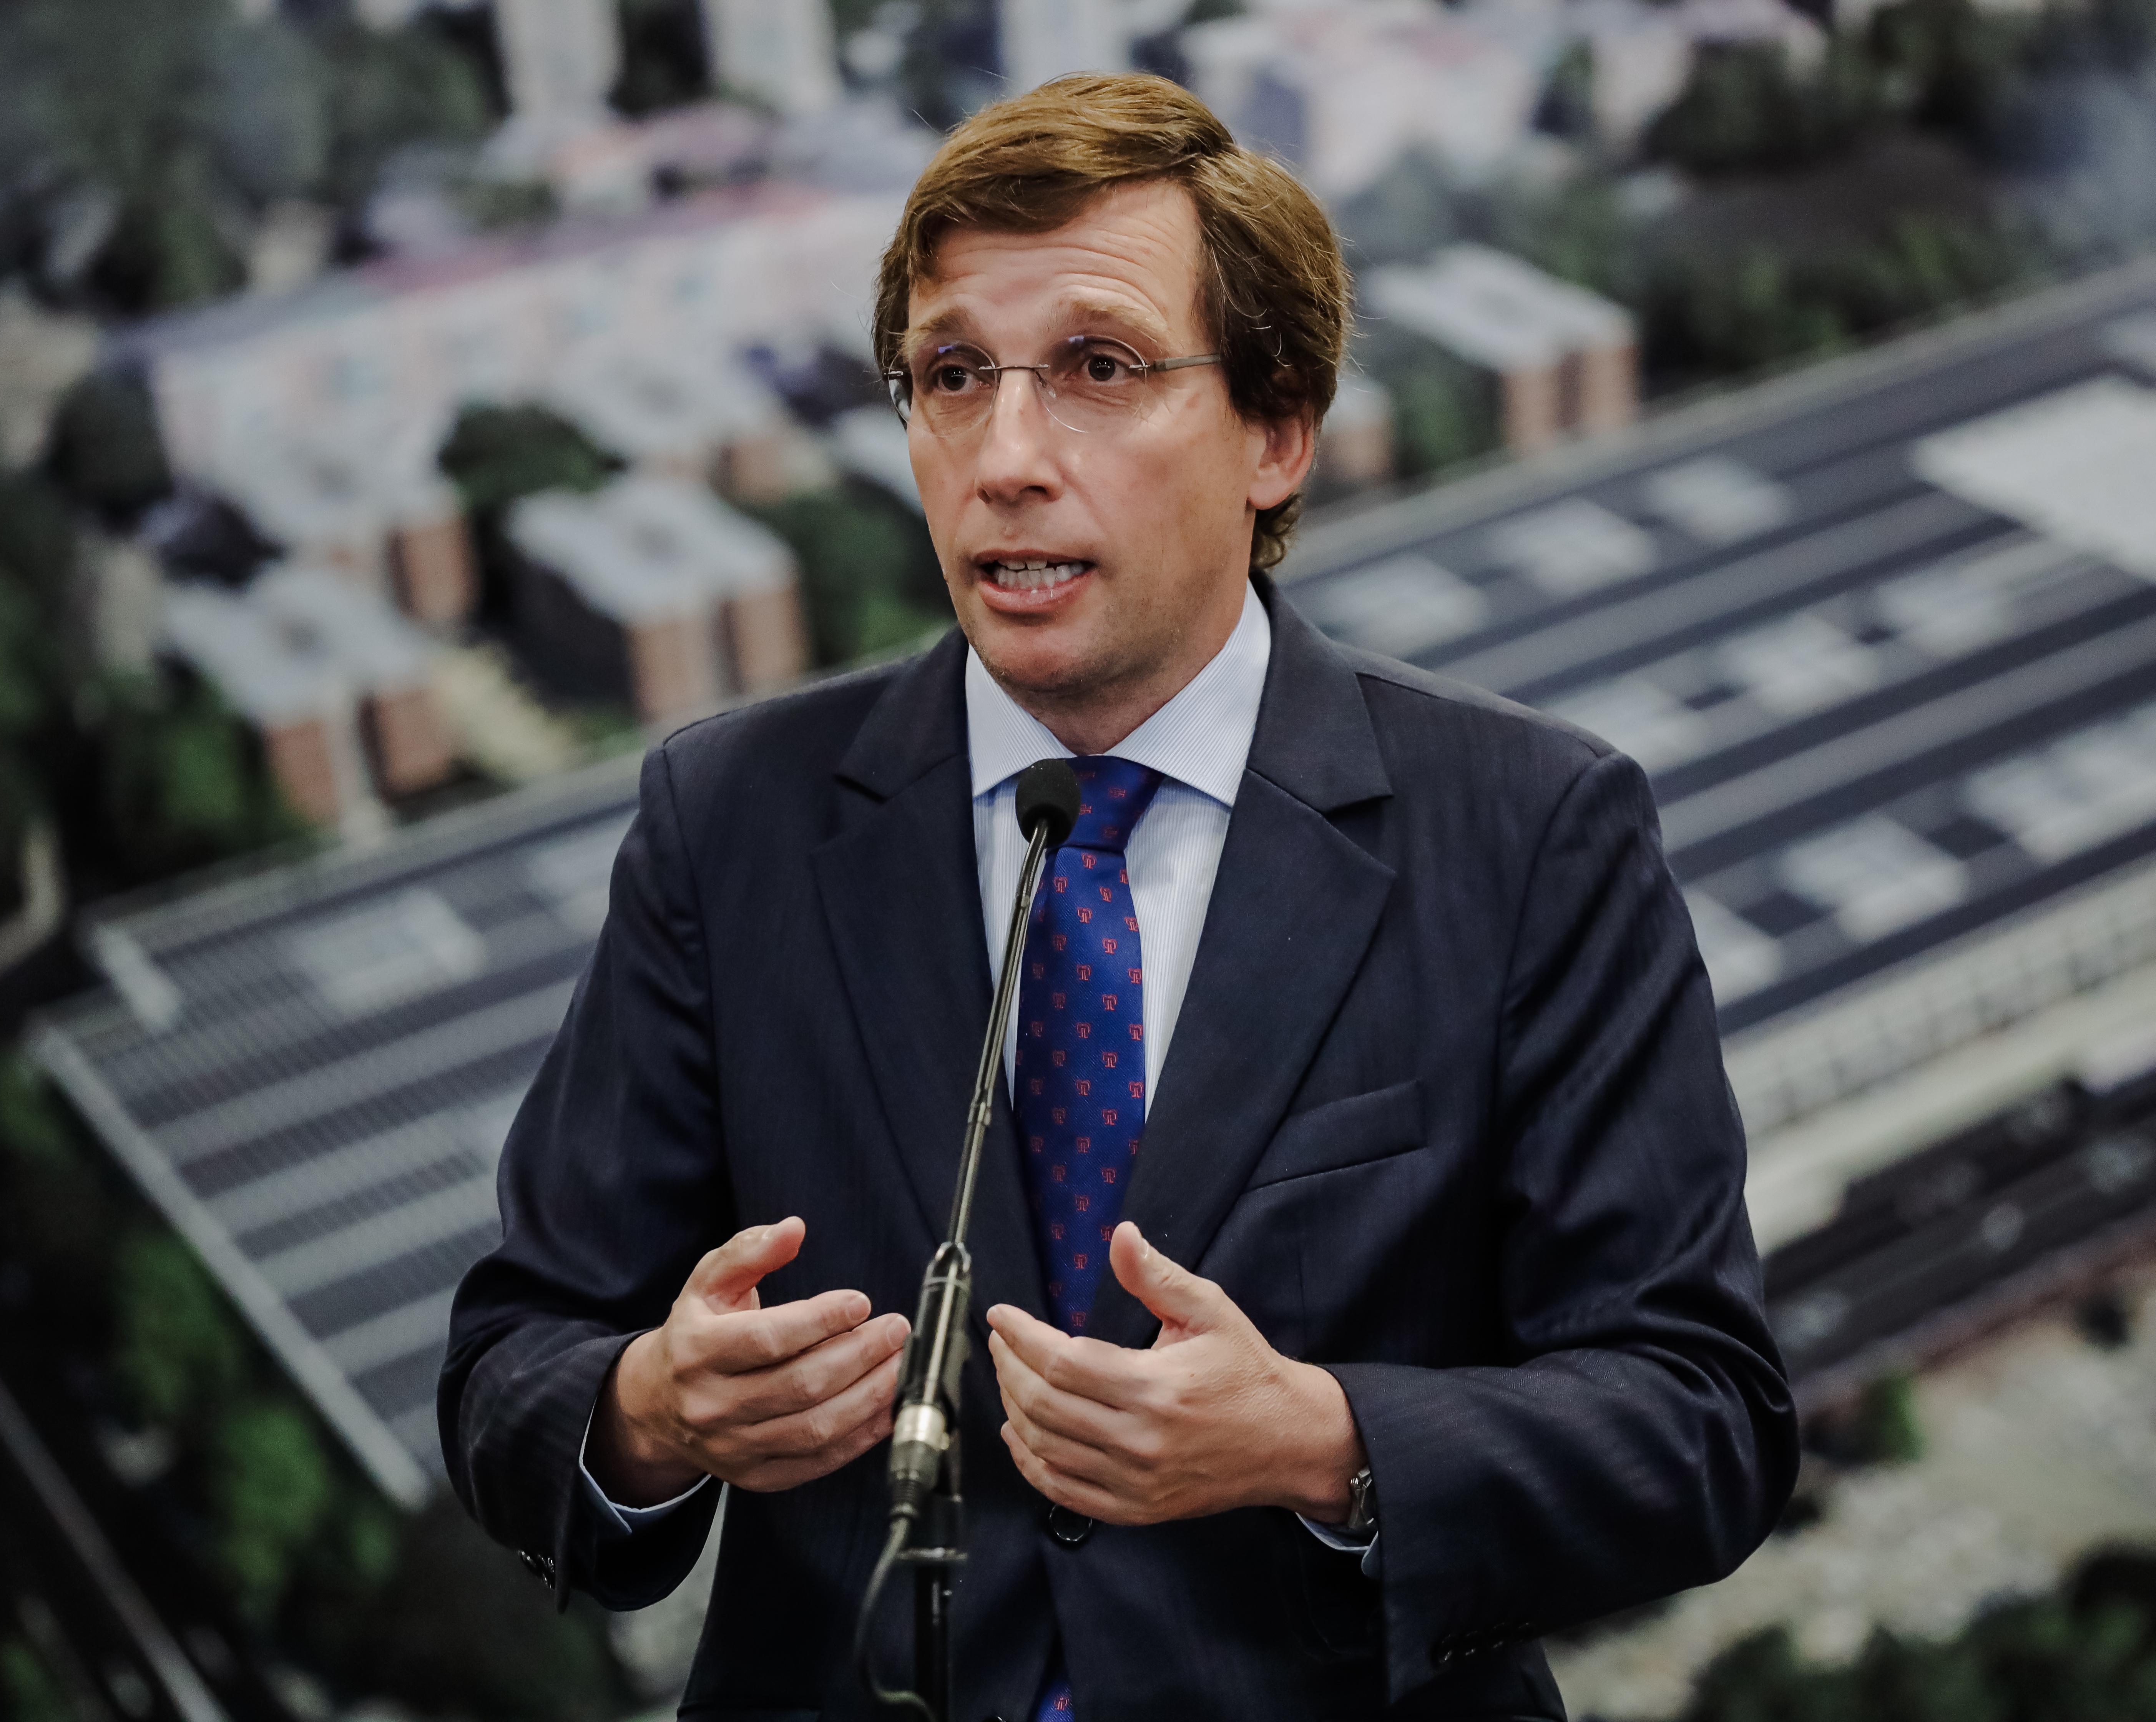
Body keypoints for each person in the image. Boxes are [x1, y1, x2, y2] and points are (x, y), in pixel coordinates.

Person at [440, 71, 1797, 1721]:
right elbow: (515, 1362)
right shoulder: (727, 820)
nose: (1007, 457)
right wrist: (650, 1412)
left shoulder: (1532, 835)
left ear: (1276, 433)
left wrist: (1323, 1442)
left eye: (1097, 369)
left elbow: (1703, 1420)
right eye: (953, 377)